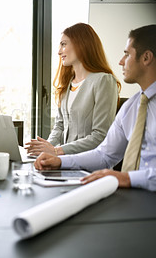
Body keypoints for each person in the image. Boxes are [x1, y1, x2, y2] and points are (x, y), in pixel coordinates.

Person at [35, 24, 156, 191]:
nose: (120, 61)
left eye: (126, 54)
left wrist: (127, 177)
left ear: (146, 57)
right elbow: (104, 154)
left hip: (125, 188)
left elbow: (99, 136)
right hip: (126, 194)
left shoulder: (103, 81)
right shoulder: (132, 107)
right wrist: (56, 158)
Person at [25, 23, 121, 156]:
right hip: (65, 162)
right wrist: (44, 149)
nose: (59, 51)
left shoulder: (103, 81)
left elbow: (100, 136)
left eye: (64, 44)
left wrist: (56, 151)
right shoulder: (67, 83)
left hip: (89, 166)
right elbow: (59, 126)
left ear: (81, 44)